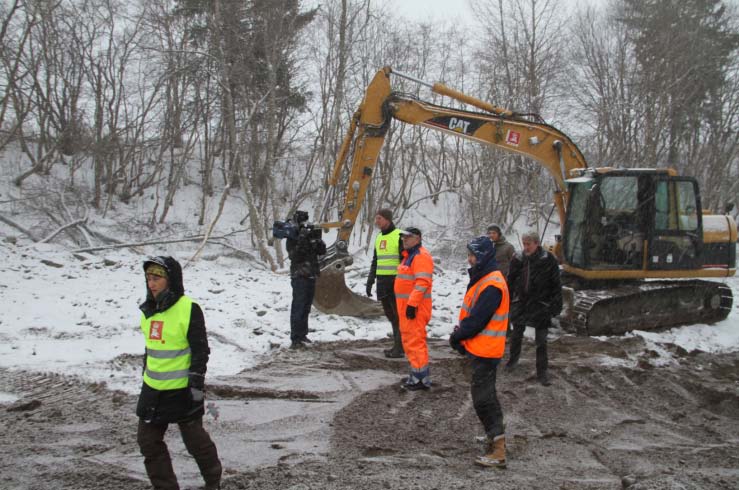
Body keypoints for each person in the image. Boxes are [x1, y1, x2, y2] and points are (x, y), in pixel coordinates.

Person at [136, 256, 222, 490]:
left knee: (195, 441)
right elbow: (152, 349)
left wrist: (196, 385)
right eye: (148, 279)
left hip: (183, 390)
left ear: (170, 280)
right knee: (148, 442)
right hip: (152, 391)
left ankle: (214, 482)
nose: (151, 284)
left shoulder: (188, 309)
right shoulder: (148, 311)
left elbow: (200, 350)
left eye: (157, 278)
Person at [449, 236, 509, 468]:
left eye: (472, 255)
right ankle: (495, 438)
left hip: (486, 350)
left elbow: (477, 320)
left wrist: (458, 336)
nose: (469, 259)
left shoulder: (492, 283)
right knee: (486, 397)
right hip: (482, 348)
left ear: (482, 257)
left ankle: (499, 449)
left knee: (484, 400)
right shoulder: (486, 278)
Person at [505, 231, 562, 386]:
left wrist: (556, 304)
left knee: (541, 341)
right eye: (524, 243)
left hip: (541, 304)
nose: (526, 247)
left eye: (529, 244)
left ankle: (542, 372)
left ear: (537, 243)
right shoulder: (518, 258)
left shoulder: (548, 259)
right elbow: (509, 281)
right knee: (516, 335)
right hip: (521, 303)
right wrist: (507, 299)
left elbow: (556, 284)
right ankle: (513, 360)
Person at [394, 227, 434, 390]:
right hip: (407, 307)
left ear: (417, 239)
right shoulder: (409, 256)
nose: (404, 240)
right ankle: (417, 373)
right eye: (403, 237)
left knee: (415, 340)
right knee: (411, 340)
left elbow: (423, 283)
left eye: (408, 237)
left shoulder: (420, 256)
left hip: (415, 308)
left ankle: (419, 378)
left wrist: (412, 304)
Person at [365, 208, 404, 358]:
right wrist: (370, 280)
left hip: (395, 281)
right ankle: (397, 344)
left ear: (387, 219)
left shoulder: (399, 235)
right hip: (382, 282)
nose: (376, 221)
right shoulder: (379, 237)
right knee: (390, 315)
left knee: (397, 315)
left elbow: (404, 260)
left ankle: (400, 347)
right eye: (376, 218)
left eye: (379, 218)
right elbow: (376, 261)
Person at [286, 210, 327, 349]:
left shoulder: (310, 235)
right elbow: (294, 256)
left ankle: (303, 334)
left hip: (311, 274)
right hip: (299, 275)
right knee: (298, 306)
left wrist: (317, 240)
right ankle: (295, 338)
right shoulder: (292, 236)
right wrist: (302, 239)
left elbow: (322, 251)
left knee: (306, 307)